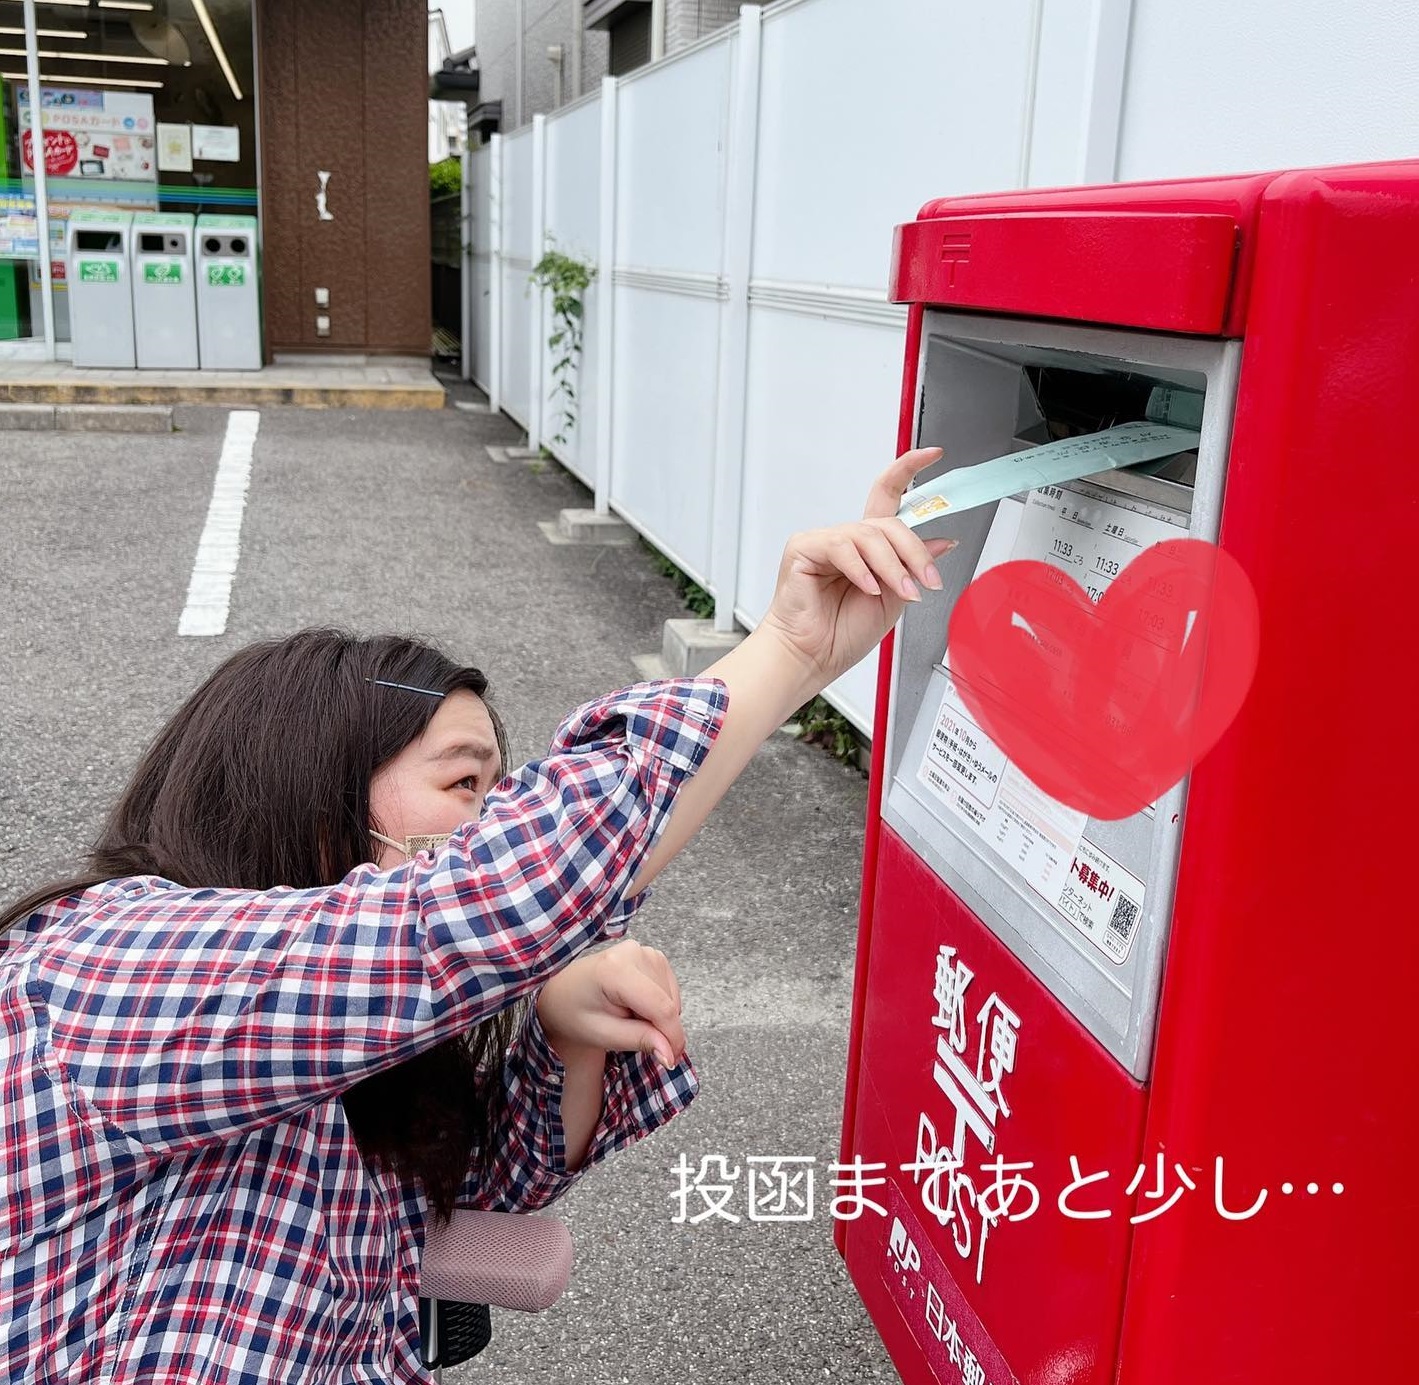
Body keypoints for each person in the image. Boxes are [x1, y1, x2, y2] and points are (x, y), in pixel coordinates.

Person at [0, 449, 953, 1383]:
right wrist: (787, 651)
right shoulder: (102, 962)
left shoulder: (352, 1028)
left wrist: (562, 1030)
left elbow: (493, 1186)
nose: (495, 820)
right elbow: (485, 904)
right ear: (310, 778)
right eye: (466, 781)